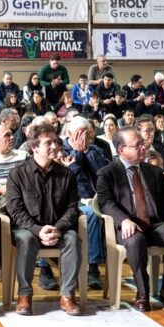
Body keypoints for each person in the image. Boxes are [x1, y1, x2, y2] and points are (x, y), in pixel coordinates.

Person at [97, 126, 164, 312]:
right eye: (137, 145)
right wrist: (123, 220)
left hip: (155, 224)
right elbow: (106, 203)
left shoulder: (153, 171)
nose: (143, 147)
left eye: (142, 143)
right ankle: (143, 293)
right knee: (135, 240)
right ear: (122, 150)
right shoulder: (107, 173)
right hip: (128, 225)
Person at [6, 124, 82, 316]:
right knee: (26, 239)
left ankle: (67, 295)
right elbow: (15, 211)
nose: (55, 146)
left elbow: (73, 208)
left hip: (58, 228)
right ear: (34, 147)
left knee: (73, 239)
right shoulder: (17, 174)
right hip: (28, 229)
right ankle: (24, 295)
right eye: (48, 143)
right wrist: (37, 229)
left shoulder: (67, 174)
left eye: (55, 142)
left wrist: (58, 228)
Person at [62, 116, 109, 290]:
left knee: (98, 210)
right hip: (70, 201)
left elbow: (103, 172)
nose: (86, 137)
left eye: (88, 133)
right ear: (69, 133)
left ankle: (95, 267)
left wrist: (85, 153)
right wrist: (76, 154)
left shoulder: (95, 149)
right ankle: (93, 268)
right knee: (91, 214)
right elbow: (71, 179)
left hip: (95, 198)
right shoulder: (61, 150)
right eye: (80, 133)